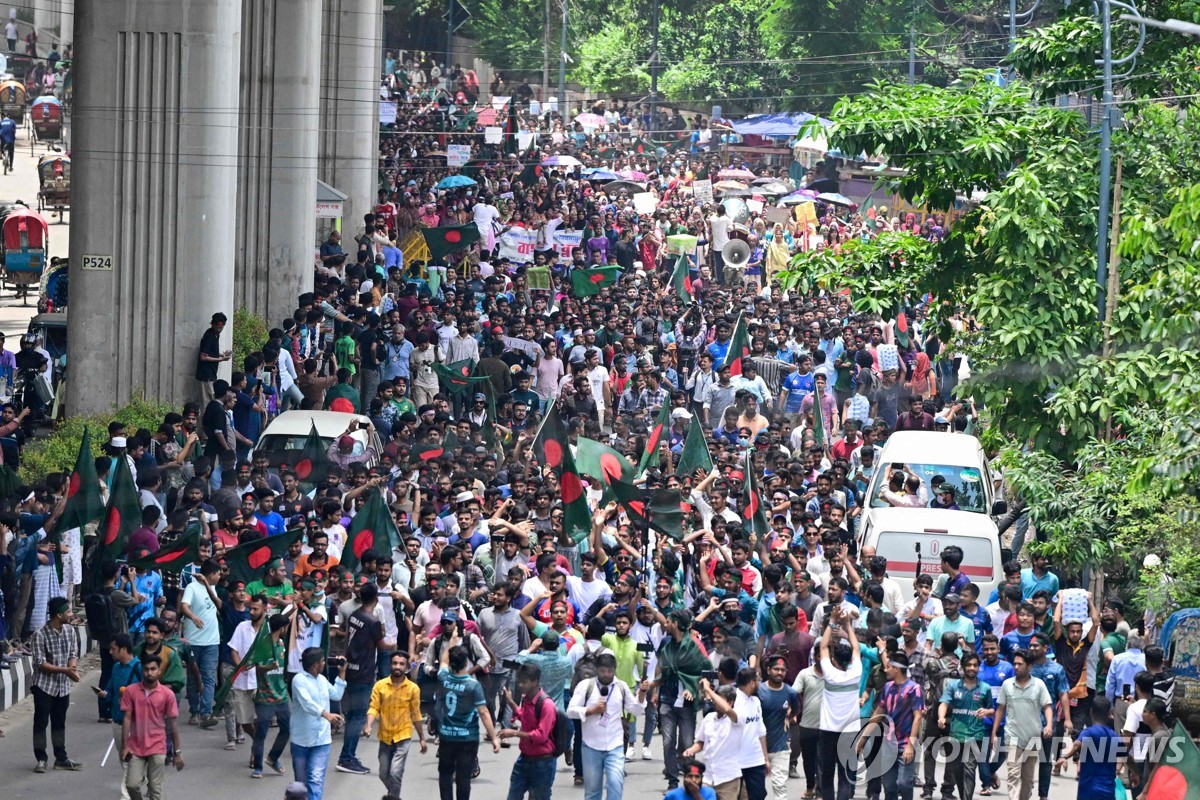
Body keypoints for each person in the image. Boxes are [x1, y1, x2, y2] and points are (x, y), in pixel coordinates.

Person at [568, 652, 645, 800]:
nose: (606, 674)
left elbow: (635, 710)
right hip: (591, 746)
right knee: (592, 792)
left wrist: (641, 695)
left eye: (610, 671)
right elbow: (570, 711)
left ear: (614, 670)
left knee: (616, 784)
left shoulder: (621, 687)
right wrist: (590, 711)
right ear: (597, 669)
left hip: (615, 746)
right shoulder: (586, 686)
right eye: (603, 671)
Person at [436, 633, 501, 800]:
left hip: (446, 736)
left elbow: (442, 662)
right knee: (464, 776)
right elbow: (483, 712)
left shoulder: (443, 679)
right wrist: (493, 737)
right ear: (466, 663)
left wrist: (451, 642)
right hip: (467, 738)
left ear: (451, 663)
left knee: (445, 773)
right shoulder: (473, 685)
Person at [121, 652, 184, 800]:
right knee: (132, 785)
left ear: (159, 670)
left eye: (153, 669)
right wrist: (125, 746)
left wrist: (177, 753)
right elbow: (127, 719)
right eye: (146, 669)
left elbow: (172, 724)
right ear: (142, 670)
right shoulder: (131, 691)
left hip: (157, 746)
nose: (149, 673)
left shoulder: (167, 694)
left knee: (155, 789)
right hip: (136, 747)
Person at [990, 649, 1053, 800]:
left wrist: (1049, 725)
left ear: (1029, 666)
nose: (1016, 667)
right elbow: (1000, 709)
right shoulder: (1007, 685)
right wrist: (994, 733)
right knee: (1013, 775)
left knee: (1028, 779)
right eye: (1015, 664)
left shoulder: (1039, 685)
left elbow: (1047, 707)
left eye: (1020, 664)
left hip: (1032, 738)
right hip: (1012, 737)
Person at [364, 651, 428, 798]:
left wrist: (422, 738)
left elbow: (416, 714)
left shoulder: (413, 689)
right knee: (383, 774)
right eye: (394, 663)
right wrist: (368, 725)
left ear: (406, 667)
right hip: (385, 736)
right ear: (390, 665)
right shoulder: (380, 686)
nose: (397, 666)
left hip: (403, 735)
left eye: (401, 664)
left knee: (396, 773)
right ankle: (393, 794)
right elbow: (374, 707)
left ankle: (393, 797)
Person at [338, 581, 386, 775]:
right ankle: (346, 758)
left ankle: (348, 755)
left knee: (351, 716)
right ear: (376, 598)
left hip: (351, 669)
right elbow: (383, 646)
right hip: (364, 672)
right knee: (358, 717)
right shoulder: (373, 621)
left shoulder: (355, 615)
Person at [30, 595, 82, 773]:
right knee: (41, 722)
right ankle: (41, 758)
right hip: (44, 685)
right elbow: (40, 664)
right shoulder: (40, 635)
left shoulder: (69, 631)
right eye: (68, 611)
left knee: (59, 722)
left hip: (62, 687)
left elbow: (73, 653)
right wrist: (65, 671)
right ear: (59, 615)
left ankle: (61, 758)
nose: (71, 613)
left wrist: (72, 668)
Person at [290, 646, 347, 800]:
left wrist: (342, 673)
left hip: (322, 740)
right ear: (316, 664)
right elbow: (306, 703)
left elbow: (336, 694)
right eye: (322, 661)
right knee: (301, 785)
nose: (324, 664)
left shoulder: (322, 680)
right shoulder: (298, 680)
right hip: (301, 740)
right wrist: (326, 714)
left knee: (316, 780)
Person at [817, 605, 861, 800]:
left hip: (828, 731)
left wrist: (833, 621)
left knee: (826, 775)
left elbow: (823, 646)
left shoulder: (830, 674)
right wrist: (847, 625)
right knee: (845, 777)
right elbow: (856, 647)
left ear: (834, 660)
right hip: (850, 732)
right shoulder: (856, 672)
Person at [500, 661, 560, 800]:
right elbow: (525, 717)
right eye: (519, 681)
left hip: (542, 763)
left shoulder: (546, 705)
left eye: (524, 682)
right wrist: (510, 702)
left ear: (535, 682)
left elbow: (541, 735)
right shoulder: (527, 699)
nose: (520, 685)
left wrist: (514, 733)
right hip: (524, 759)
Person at [94, 633, 142, 800]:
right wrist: (103, 694)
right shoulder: (115, 668)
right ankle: (135, 782)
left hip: (135, 723)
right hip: (117, 720)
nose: (110, 652)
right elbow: (110, 691)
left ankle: (126, 793)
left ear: (123, 650)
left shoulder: (140, 668)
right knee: (123, 757)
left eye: (113, 649)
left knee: (130, 758)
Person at [939, 650, 992, 800]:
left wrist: (987, 711)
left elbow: (992, 708)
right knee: (958, 773)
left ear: (978, 667)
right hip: (956, 736)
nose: (972, 668)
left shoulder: (985, 688)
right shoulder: (954, 686)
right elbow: (944, 703)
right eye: (968, 665)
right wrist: (941, 717)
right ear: (963, 666)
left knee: (969, 771)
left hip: (975, 736)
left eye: (975, 665)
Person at [179, 558, 222, 728]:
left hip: (212, 641)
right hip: (193, 641)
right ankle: (194, 710)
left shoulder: (213, 589)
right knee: (193, 677)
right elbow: (184, 606)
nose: (220, 576)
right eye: (218, 573)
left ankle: (206, 713)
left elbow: (218, 606)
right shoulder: (191, 587)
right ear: (211, 574)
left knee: (209, 677)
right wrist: (193, 616)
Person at [1055, 695, 1124, 800]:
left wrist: (1064, 756)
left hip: (1088, 790)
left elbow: (1077, 744)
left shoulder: (1089, 732)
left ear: (1091, 712)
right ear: (1110, 714)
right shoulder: (1114, 736)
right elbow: (1126, 756)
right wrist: (1135, 772)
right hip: (1107, 790)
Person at [251, 614, 293, 779]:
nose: (286, 630)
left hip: (281, 697)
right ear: (282, 628)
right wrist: (269, 666)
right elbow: (256, 667)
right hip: (264, 698)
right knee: (261, 733)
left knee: (287, 729)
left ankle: (273, 758)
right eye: (286, 627)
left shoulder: (282, 644)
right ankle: (258, 767)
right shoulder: (262, 645)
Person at [758, 654, 800, 800]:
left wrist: (788, 716)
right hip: (757, 747)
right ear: (768, 670)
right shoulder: (758, 690)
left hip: (781, 746)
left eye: (782, 670)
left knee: (780, 785)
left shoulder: (791, 693)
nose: (779, 673)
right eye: (776, 669)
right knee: (757, 788)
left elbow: (796, 710)